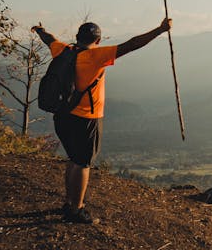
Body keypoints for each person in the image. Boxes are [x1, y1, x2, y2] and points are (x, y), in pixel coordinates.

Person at [32, 18, 172, 224]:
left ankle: (70, 203)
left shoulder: (63, 50)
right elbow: (132, 44)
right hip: (86, 119)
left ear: (77, 37)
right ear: (97, 41)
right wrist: (160, 30)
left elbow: (49, 39)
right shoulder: (96, 56)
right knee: (83, 163)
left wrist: (39, 30)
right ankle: (76, 210)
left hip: (62, 115)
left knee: (73, 159)